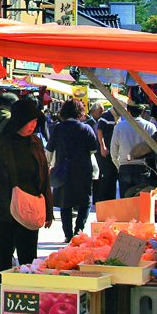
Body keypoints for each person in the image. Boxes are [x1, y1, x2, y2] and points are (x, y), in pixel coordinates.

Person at [0, 97, 54, 301]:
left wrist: (48, 210)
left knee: (28, 258)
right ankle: (3, 299)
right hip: (2, 209)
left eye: (35, 122)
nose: (32, 125)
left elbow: (44, 176)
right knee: (2, 258)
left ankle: (25, 297)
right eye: (28, 121)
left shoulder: (36, 142)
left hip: (30, 208)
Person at [47, 98, 98, 240]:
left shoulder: (57, 128)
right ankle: (79, 231)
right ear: (80, 112)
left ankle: (68, 235)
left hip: (63, 170)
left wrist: (50, 165)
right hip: (83, 170)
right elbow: (94, 149)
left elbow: (49, 150)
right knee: (85, 202)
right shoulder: (86, 128)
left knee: (65, 204)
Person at [110, 102, 157, 197]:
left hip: (125, 167)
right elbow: (155, 149)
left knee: (126, 201)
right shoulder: (150, 126)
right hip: (143, 167)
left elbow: (113, 152)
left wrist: (119, 165)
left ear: (128, 111)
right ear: (142, 111)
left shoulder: (119, 127)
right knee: (142, 201)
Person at [94, 105, 118, 202]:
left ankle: (110, 199)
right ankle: (101, 200)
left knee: (112, 176)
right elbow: (100, 130)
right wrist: (102, 146)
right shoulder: (107, 116)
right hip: (105, 152)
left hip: (112, 151)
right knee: (106, 175)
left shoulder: (118, 118)